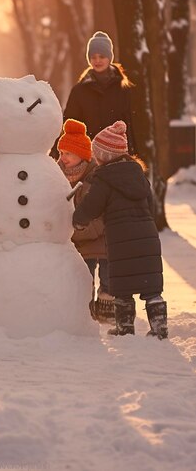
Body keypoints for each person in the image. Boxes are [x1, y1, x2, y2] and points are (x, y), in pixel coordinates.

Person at [72, 120, 167, 339]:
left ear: (104, 156)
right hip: (147, 238)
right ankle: (159, 327)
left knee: (122, 287)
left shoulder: (104, 180)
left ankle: (125, 328)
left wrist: (78, 220)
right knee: (151, 287)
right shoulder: (139, 176)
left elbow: (90, 207)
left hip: (120, 240)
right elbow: (151, 206)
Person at [57, 118, 114, 323]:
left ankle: (108, 308)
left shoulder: (95, 177)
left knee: (108, 278)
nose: (63, 158)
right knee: (84, 276)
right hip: (77, 239)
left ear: (82, 155)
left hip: (100, 236)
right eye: (61, 153)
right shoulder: (56, 176)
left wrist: (80, 228)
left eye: (68, 154)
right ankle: (85, 310)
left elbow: (99, 212)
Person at [50, 31, 135, 158]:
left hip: (117, 154)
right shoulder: (79, 91)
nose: (97, 61)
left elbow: (131, 122)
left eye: (102, 56)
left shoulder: (123, 88)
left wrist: (133, 153)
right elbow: (70, 123)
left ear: (109, 58)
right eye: (93, 57)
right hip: (89, 154)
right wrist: (56, 152)